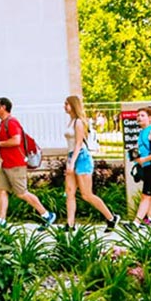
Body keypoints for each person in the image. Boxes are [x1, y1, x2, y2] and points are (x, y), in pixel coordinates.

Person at [0, 97, 56, 230]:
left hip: (16, 164)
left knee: (22, 193)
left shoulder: (12, 122)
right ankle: (1, 221)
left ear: (3, 107)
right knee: (2, 191)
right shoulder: (3, 123)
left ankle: (46, 215)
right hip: (7, 164)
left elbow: (16, 140)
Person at [62, 96, 119, 232]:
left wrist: (72, 163)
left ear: (73, 105)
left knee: (86, 194)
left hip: (81, 158)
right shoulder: (70, 122)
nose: (64, 106)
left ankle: (111, 218)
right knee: (69, 192)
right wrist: (69, 162)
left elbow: (79, 143)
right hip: (72, 156)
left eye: (67, 104)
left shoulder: (79, 122)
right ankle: (70, 224)